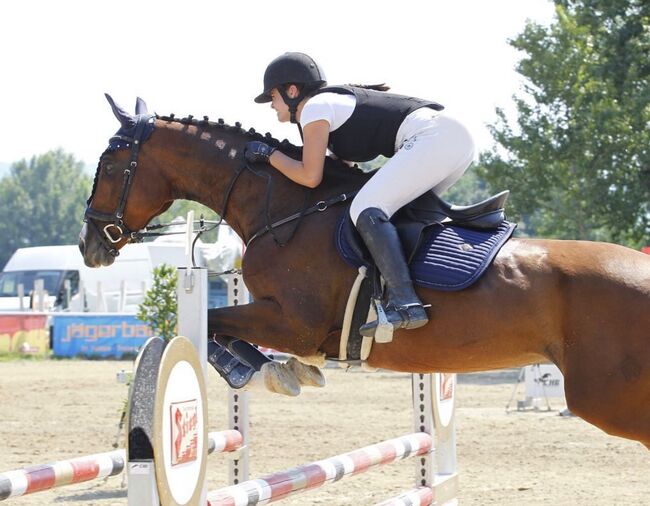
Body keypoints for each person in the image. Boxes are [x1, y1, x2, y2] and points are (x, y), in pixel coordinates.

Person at [245, 52, 475, 338]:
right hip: (452, 141)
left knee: (366, 208)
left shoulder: (314, 108)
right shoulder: (328, 107)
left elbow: (309, 176)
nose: (271, 105)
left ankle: (406, 302)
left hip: (435, 138)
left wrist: (269, 155)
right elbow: (339, 174)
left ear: (292, 91)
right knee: (393, 213)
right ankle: (419, 290)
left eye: (272, 97)